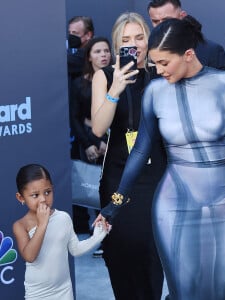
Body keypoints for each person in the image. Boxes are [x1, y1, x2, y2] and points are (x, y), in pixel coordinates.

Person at [97, 16, 225, 300]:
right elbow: (140, 151)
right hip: (173, 203)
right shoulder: (155, 92)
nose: (158, 70)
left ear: (188, 55)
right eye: (155, 63)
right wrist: (115, 203)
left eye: (164, 63)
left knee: (223, 291)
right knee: (183, 291)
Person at [91, 12, 165, 300]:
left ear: (149, 40)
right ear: (117, 45)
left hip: (158, 179)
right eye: (126, 40)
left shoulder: (161, 74)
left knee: (152, 257)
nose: (134, 44)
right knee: (122, 256)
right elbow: (98, 127)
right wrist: (116, 88)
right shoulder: (105, 75)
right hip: (118, 178)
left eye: (139, 37)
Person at [12, 164, 108, 300]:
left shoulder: (63, 218)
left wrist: (99, 235)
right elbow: (30, 256)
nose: (43, 199)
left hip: (63, 290)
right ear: (21, 198)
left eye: (47, 192)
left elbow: (75, 250)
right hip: (37, 294)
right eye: (35, 195)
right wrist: (42, 224)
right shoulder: (20, 225)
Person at [70, 36, 113, 257]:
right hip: (90, 144)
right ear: (89, 56)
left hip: (115, 143)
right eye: (97, 51)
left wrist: (109, 142)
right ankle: (101, 238)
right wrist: (92, 143)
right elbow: (76, 119)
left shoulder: (119, 78)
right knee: (97, 190)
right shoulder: (79, 84)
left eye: (106, 51)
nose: (103, 55)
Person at [67, 16, 95, 234]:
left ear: (88, 36)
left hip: (105, 137)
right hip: (81, 135)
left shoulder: (83, 61)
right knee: (82, 179)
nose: (70, 38)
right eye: (69, 33)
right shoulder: (77, 79)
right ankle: (81, 226)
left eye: (75, 34)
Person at [147, 0, 225, 71]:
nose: (161, 25)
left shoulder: (212, 51)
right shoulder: (148, 53)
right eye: (156, 21)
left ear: (182, 16)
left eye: (167, 20)